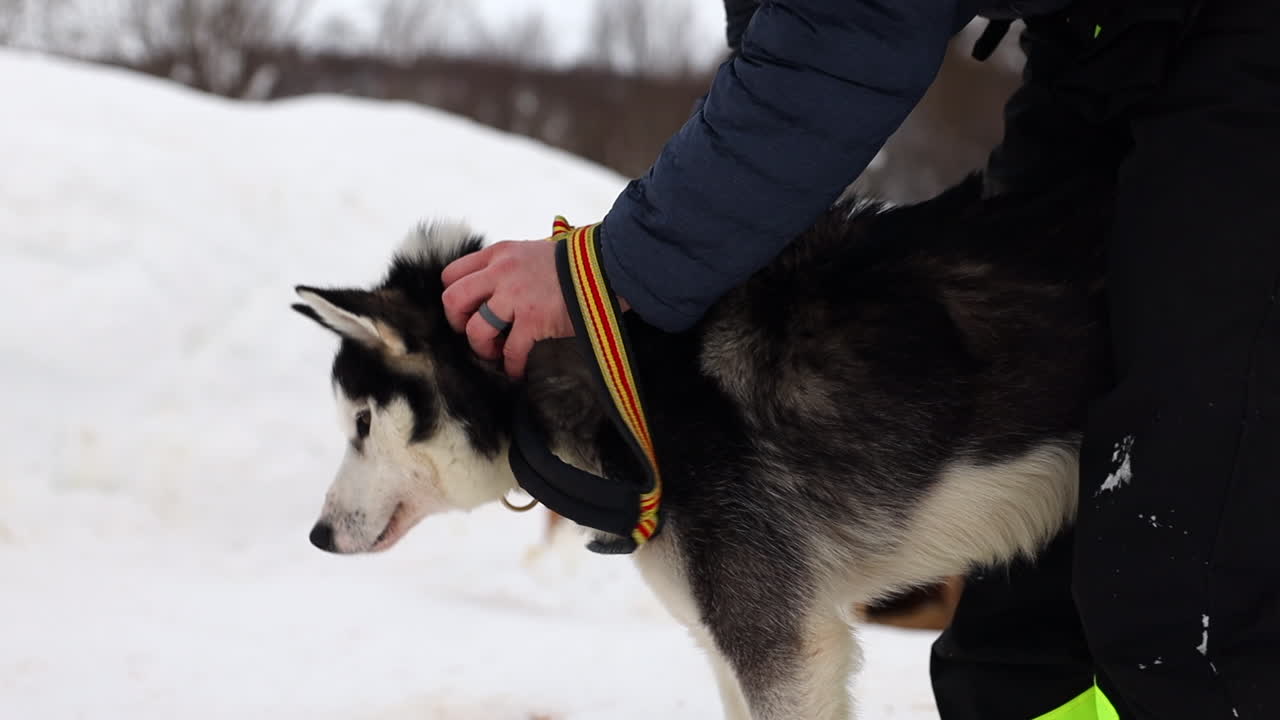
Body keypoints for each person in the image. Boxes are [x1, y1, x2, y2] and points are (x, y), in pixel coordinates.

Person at [440, 1, 1280, 717]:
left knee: (1185, 590)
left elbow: (844, 40)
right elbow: (791, 30)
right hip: (1100, 43)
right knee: (1020, 640)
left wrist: (611, 268)